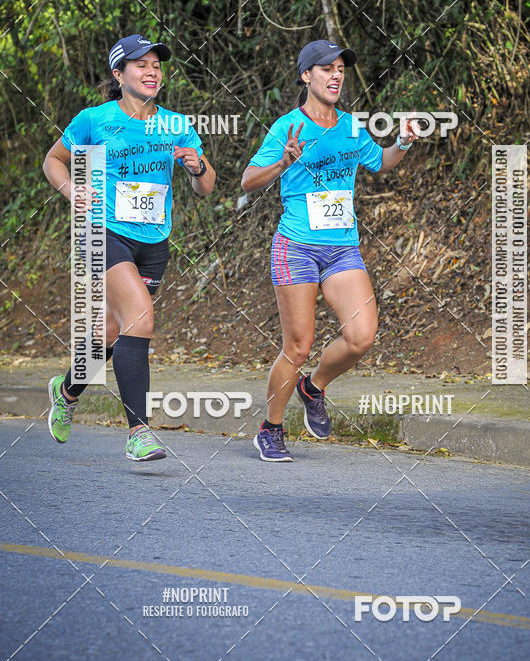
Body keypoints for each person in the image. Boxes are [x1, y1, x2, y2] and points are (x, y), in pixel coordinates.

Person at [241, 39, 418, 462]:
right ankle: (271, 428)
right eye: (326, 68)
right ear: (307, 76)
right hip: (296, 247)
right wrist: (283, 164)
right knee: (297, 347)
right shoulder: (289, 127)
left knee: (362, 336)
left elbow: (381, 162)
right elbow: (248, 180)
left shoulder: (353, 127)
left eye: (341, 68)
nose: (336, 75)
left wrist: (405, 141)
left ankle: (313, 387)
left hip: (341, 248)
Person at [43, 33, 215, 461]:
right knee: (140, 319)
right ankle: (139, 432)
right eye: (141, 64)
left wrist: (197, 167)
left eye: (156, 65)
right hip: (102, 232)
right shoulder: (94, 119)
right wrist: (70, 190)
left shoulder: (176, 124)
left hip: (154, 241)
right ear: (119, 74)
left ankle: (65, 391)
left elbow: (206, 187)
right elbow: (53, 160)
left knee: (112, 332)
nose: (152, 71)